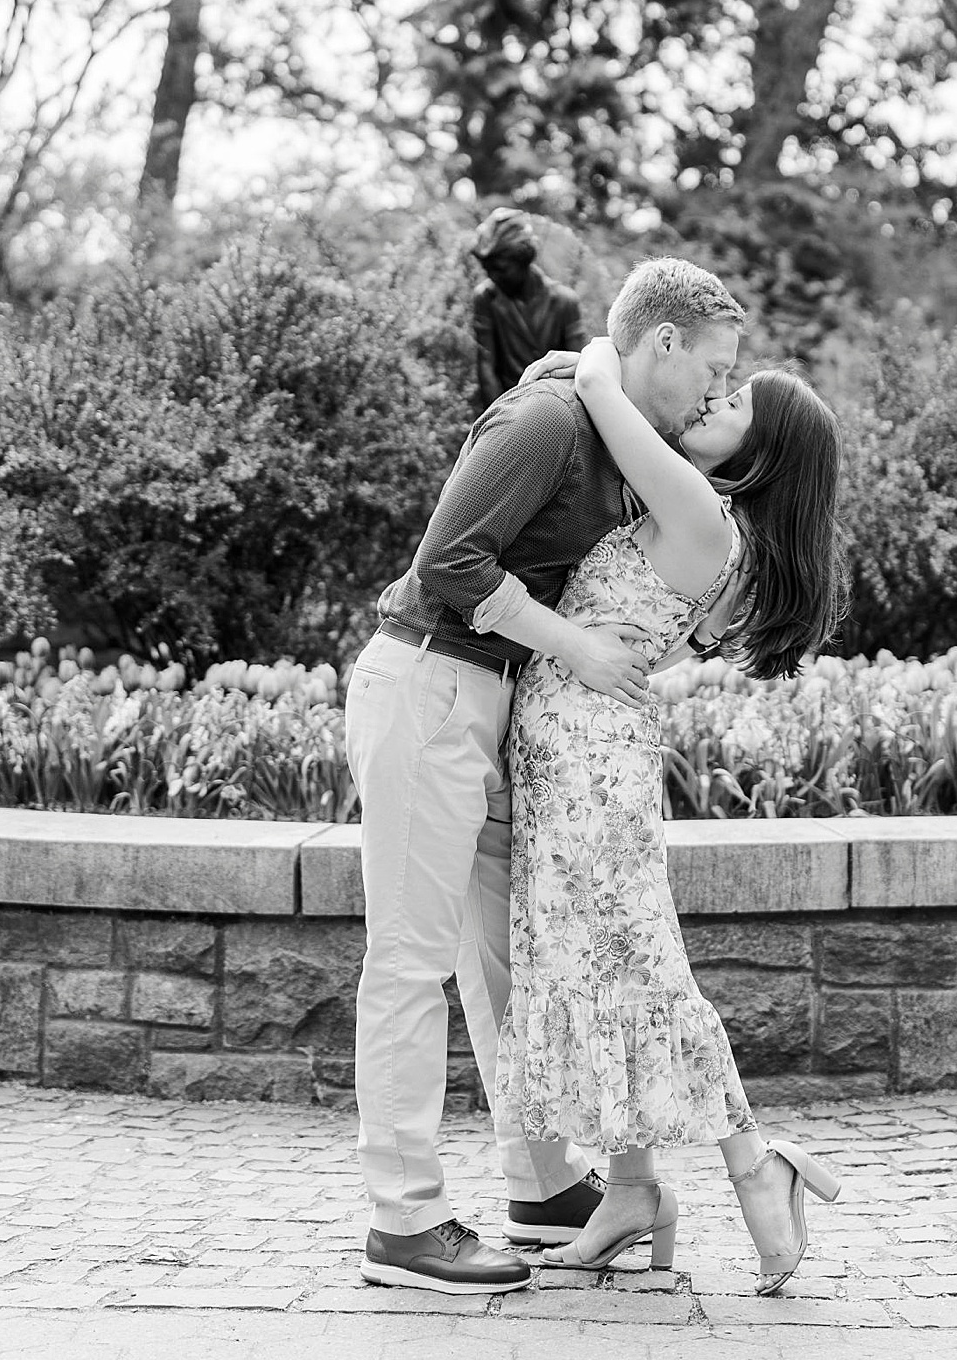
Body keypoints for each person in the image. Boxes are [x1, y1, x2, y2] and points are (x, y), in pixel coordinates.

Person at [346, 256, 744, 1295]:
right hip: (428, 683)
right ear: (661, 343)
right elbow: (448, 564)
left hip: (490, 700)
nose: (713, 392)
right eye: (710, 368)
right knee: (411, 956)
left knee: (496, 958)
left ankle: (536, 1181)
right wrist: (572, 644)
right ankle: (403, 1220)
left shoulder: (606, 427)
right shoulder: (544, 424)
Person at [495, 324, 847, 1294]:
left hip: (593, 763)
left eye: (732, 405)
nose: (707, 403)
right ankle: (632, 1188)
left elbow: (608, 380)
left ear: (763, 452)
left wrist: (599, 349)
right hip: (571, 755)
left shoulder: (696, 506)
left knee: (641, 970)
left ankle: (753, 1166)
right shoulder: (695, 509)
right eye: (715, 390)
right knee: (594, 963)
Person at [470, 207, 590, 412]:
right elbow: (486, 366)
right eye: (488, 270)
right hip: (508, 409)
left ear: (522, 260)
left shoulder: (564, 302)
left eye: (500, 269)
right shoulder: (486, 299)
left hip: (557, 411)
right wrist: (500, 416)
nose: (492, 277)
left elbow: (578, 371)